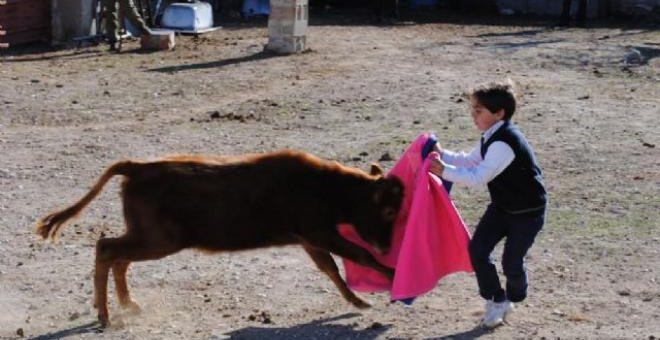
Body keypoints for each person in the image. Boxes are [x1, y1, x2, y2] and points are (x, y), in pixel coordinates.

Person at [429, 81, 547, 329]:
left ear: (499, 113)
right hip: (503, 207)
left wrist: (444, 170)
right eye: (473, 109)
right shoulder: (491, 136)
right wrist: (442, 154)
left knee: (511, 264)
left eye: (479, 110)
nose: (473, 115)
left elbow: (478, 177)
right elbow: (470, 160)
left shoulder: (505, 143)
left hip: (527, 213)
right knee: (478, 251)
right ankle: (497, 300)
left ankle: (515, 295)